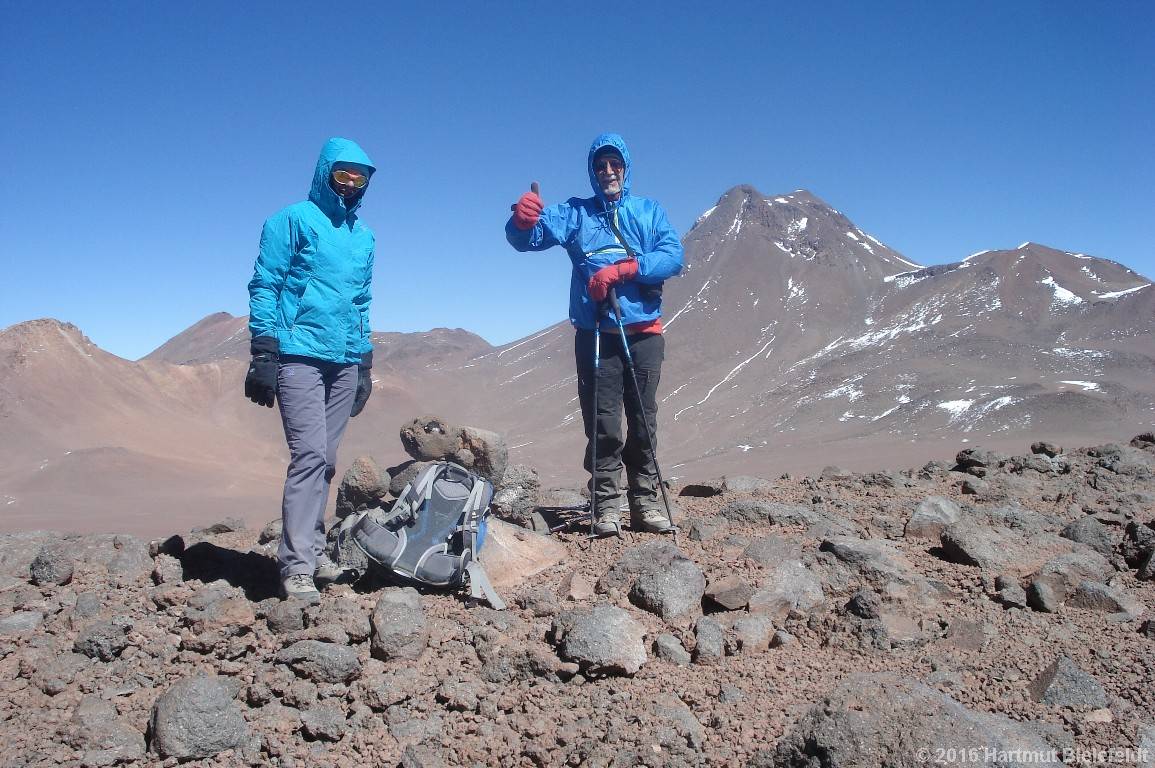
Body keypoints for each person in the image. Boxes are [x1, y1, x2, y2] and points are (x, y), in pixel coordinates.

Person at [505, 133, 683, 536]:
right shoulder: (575, 213)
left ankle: (646, 502)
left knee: (643, 419)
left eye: (614, 163)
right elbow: (527, 239)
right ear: (592, 171)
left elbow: (673, 255)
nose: (607, 171)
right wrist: (521, 220)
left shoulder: (649, 212)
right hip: (597, 334)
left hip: (643, 334)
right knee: (602, 423)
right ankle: (605, 505)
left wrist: (623, 270)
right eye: (600, 165)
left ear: (626, 167)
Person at [245, 137, 376, 603]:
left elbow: (361, 302)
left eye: (360, 177)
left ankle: (313, 551)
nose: (350, 184)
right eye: (342, 174)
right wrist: (264, 352)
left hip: (342, 361)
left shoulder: (363, 237)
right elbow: (266, 283)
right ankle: (296, 568)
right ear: (325, 173)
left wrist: (364, 362)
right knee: (309, 457)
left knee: (327, 461)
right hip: (298, 354)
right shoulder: (291, 220)